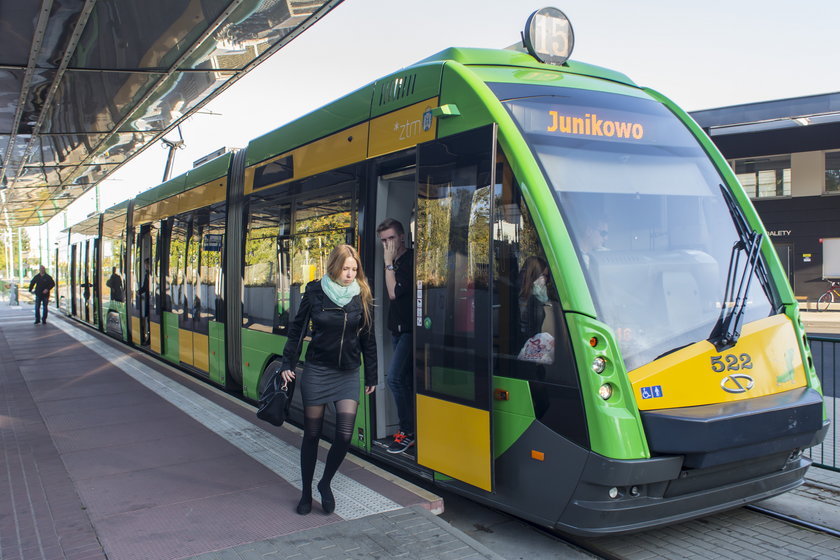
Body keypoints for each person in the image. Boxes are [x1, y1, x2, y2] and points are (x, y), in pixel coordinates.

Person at [280, 244, 377, 515]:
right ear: (334, 267)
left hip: (347, 372)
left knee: (344, 436)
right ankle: (306, 493)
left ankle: (325, 483)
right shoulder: (314, 291)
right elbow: (297, 328)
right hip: (317, 370)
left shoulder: (362, 294)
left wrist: (371, 374)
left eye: (354, 269)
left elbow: (368, 337)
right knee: (312, 434)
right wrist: (288, 361)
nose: (349, 274)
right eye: (345, 268)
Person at [377, 218, 415, 454]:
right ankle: (412, 428)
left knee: (394, 379)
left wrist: (388, 264)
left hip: (411, 330)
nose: (387, 244)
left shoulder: (410, 260)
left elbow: (393, 293)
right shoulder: (393, 262)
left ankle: (407, 432)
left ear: (402, 237)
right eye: (383, 241)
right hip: (396, 329)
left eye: (391, 238)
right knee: (405, 380)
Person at [518, 256, 549, 344]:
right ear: (534, 275)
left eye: (546, 276)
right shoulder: (532, 299)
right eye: (543, 275)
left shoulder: (532, 296)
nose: (545, 280)